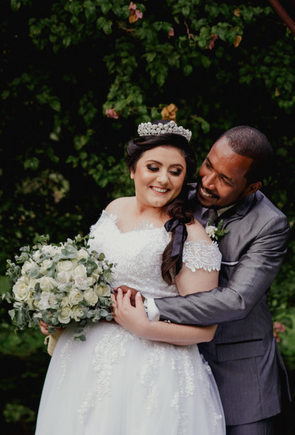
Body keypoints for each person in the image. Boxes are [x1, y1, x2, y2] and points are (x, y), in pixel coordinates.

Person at [34, 120, 227, 435]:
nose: (163, 179)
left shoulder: (191, 235)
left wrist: (144, 327)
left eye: (175, 171)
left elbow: (206, 329)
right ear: (133, 170)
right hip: (82, 359)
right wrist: (61, 311)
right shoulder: (114, 208)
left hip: (150, 368)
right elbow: (92, 280)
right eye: (153, 167)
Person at [125, 126, 290, 435]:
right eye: (209, 165)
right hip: (170, 363)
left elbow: (236, 300)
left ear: (252, 187)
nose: (207, 181)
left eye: (225, 180)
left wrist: (151, 306)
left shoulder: (270, 225)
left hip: (239, 375)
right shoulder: (177, 193)